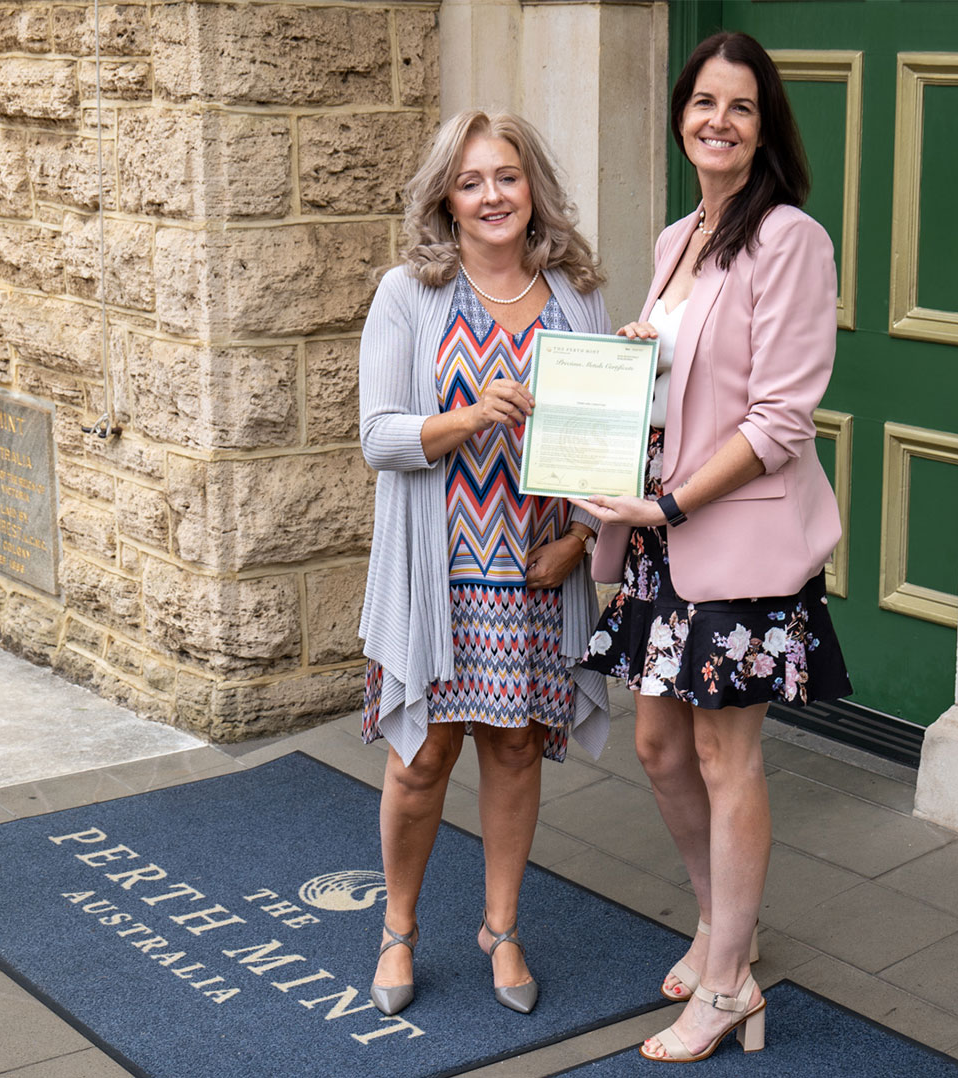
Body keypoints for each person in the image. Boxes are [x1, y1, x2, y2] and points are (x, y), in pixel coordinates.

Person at [573, 31, 853, 1063]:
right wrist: (633, 368)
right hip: (661, 538)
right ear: (681, 117)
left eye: (740, 106)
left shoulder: (790, 240)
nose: (718, 122)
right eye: (703, 103)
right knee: (659, 747)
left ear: (764, 125)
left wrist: (672, 503)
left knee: (726, 755)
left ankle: (731, 981)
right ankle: (719, 922)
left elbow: (780, 419)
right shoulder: (677, 237)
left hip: (728, 537)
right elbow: (685, 379)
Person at [357, 109, 611, 1017]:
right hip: (439, 571)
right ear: (447, 200)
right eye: (471, 182)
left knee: (513, 748)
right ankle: (398, 927)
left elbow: (610, 441)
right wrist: (469, 416)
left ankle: (501, 928)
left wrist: (580, 543)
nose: (492, 196)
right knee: (422, 757)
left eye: (507, 176)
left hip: (534, 567)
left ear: (532, 187)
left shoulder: (576, 294)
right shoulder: (408, 293)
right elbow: (378, 437)